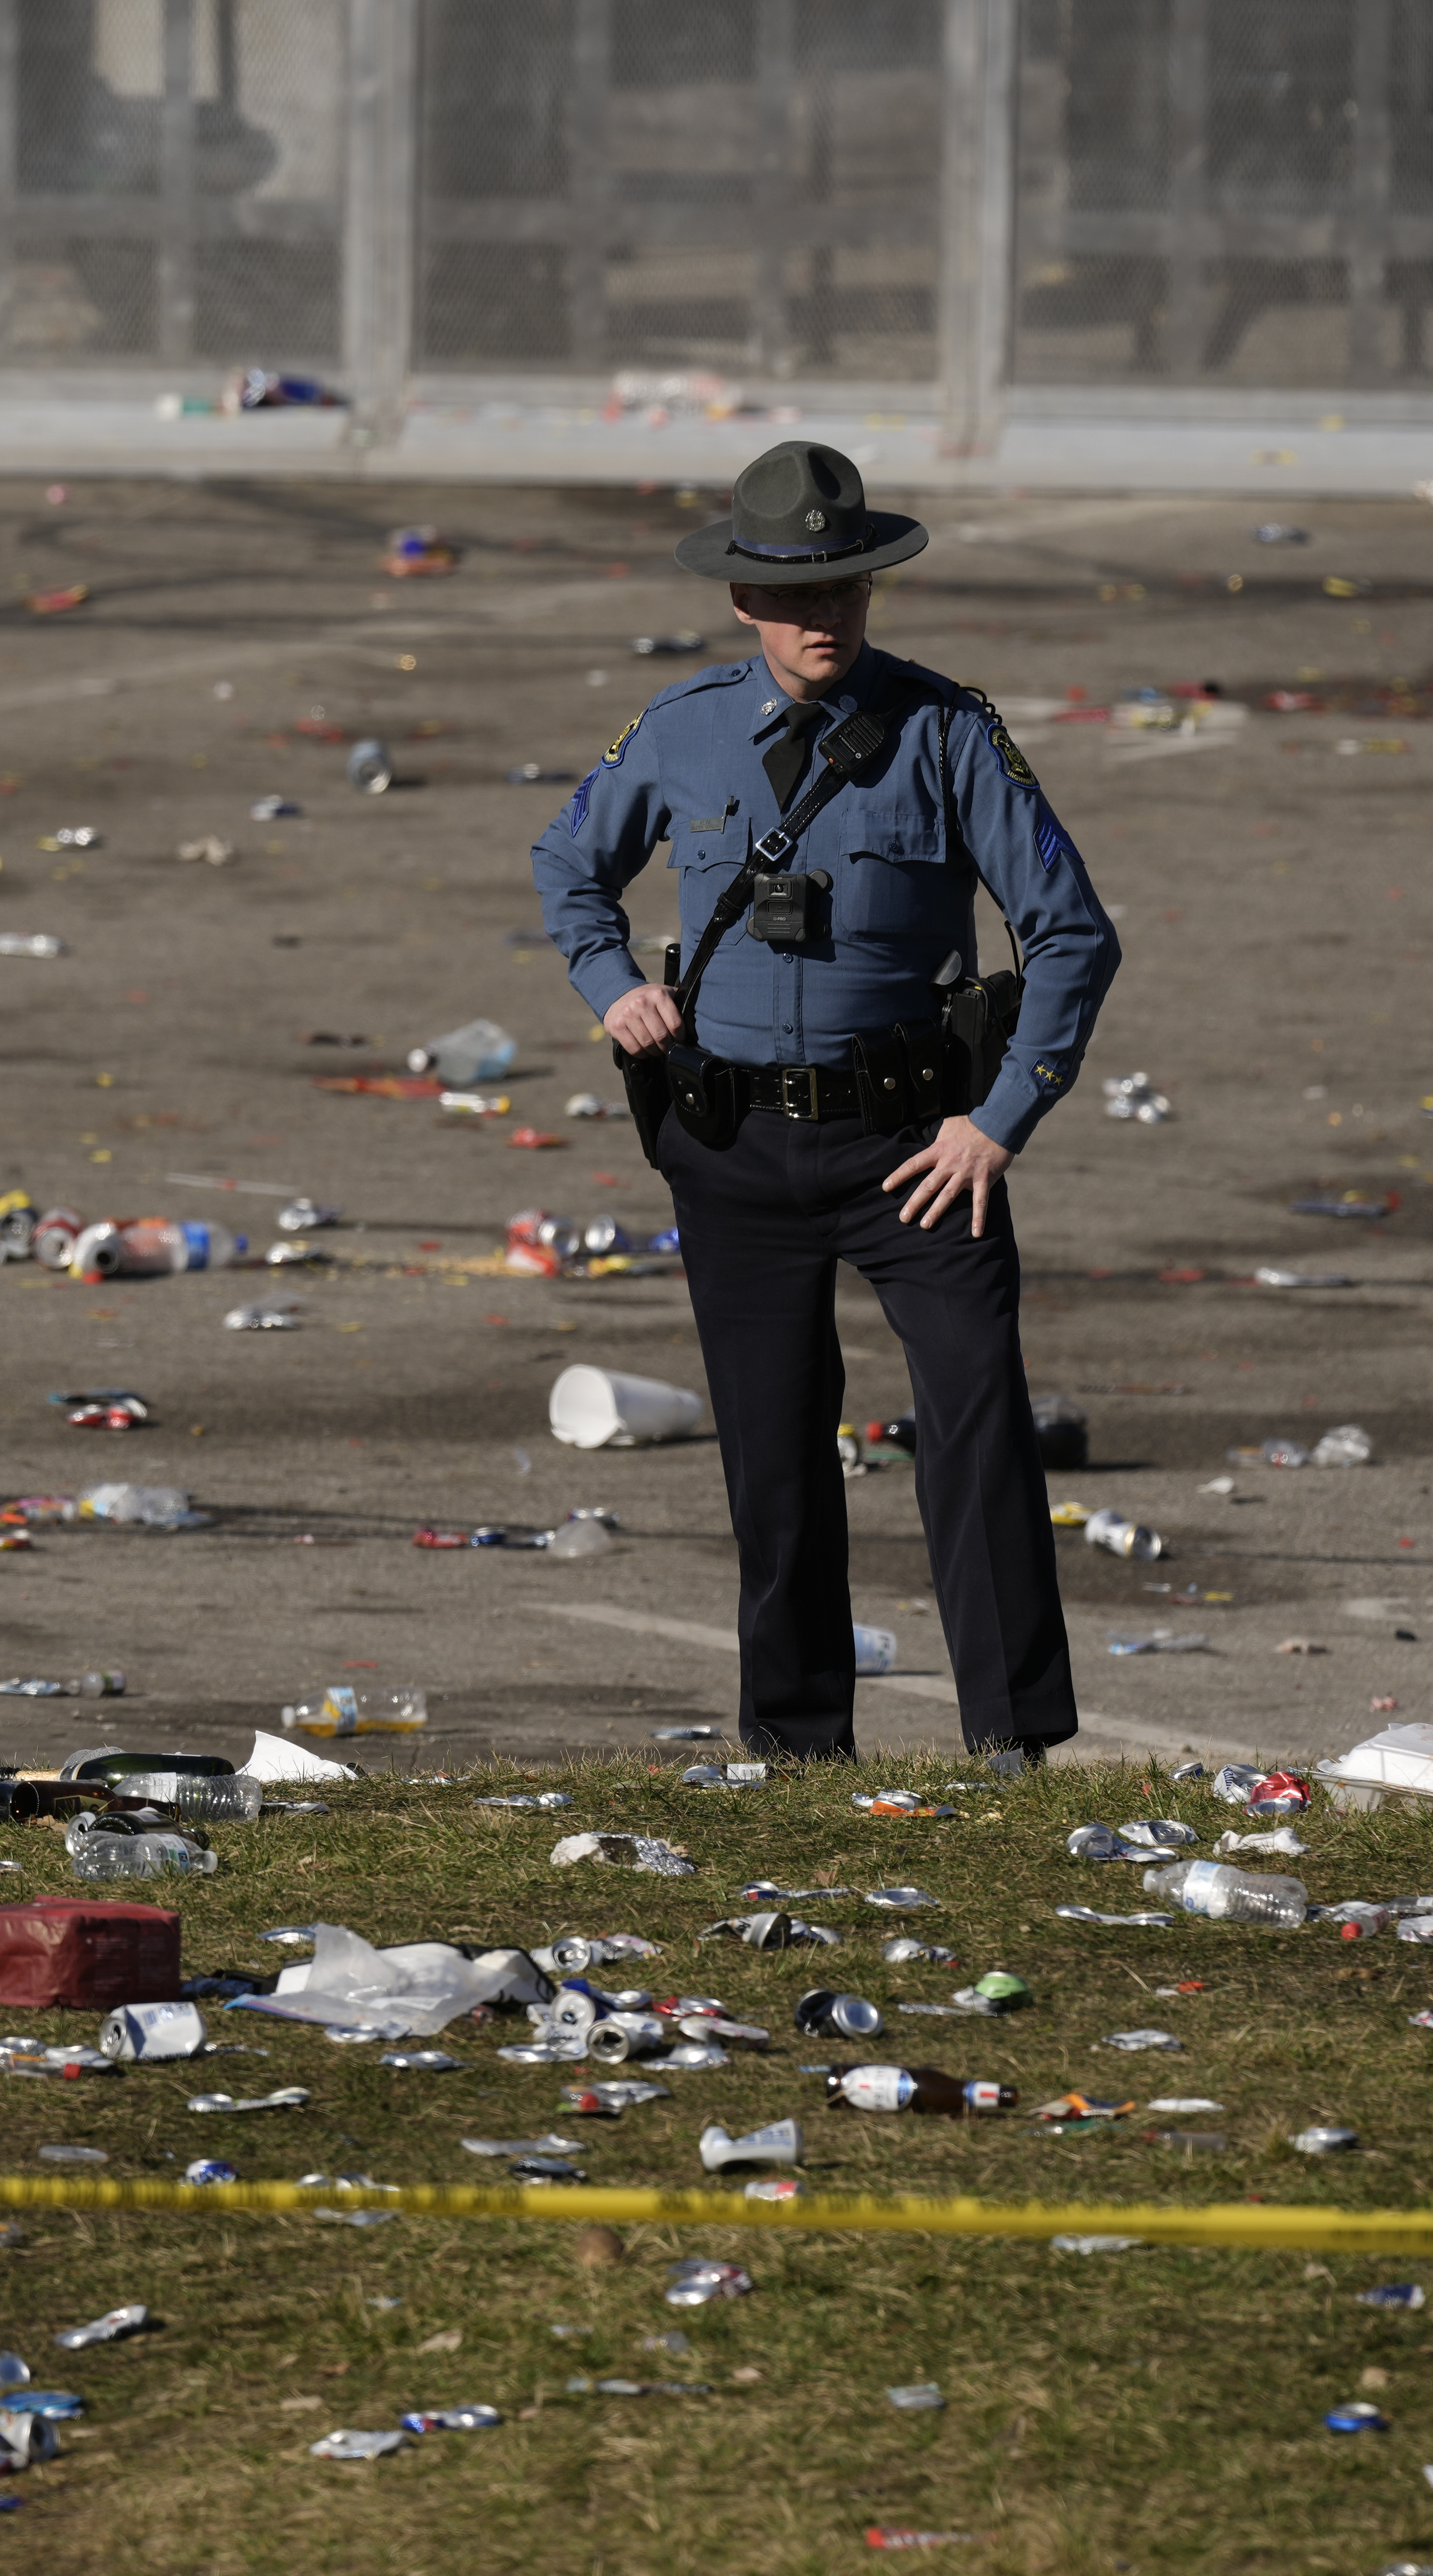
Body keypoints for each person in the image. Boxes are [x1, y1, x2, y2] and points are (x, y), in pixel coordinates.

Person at [528, 440, 1120, 1764]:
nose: (821, 619)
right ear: (743, 600)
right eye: (794, 596)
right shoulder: (679, 731)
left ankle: (1013, 1742)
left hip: (917, 1147)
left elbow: (1072, 935)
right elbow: (569, 860)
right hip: (730, 1147)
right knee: (774, 1459)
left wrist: (1002, 1120)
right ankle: (797, 1749)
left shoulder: (948, 734)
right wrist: (607, 981)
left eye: (844, 590)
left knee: (975, 1429)